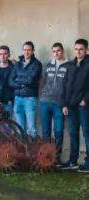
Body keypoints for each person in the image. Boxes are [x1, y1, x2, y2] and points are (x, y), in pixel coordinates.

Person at [59, 39, 89, 173]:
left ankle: (88, 162)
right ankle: (73, 160)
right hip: (70, 105)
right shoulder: (70, 65)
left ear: (86, 50)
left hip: (83, 105)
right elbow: (66, 86)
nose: (78, 51)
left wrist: (85, 100)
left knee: (87, 132)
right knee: (72, 132)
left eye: (81, 49)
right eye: (76, 49)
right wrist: (64, 104)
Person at [40, 43, 73, 160]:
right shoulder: (48, 65)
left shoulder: (69, 66)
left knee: (58, 131)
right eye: (54, 51)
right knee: (45, 131)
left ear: (62, 51)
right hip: (45, 102)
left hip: (59, 104)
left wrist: (65, 103)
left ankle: (57, 157)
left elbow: (69, 87)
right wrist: (42, 96)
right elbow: (43, 82)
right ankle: (46, 157)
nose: (56, 53)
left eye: (58, 51)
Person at [9, 41, 42, 138]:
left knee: (31, 128)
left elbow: (30, 80)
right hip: (17, 98)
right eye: (24, 50)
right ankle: (23, 150)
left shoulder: (37, 64)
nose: (26, 52)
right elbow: (10, 80)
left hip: (30, 99)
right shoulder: (17, 64)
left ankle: (33, 151)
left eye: (28, 50)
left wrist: (18, 79)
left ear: (33, 51)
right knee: (20, 129)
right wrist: (20, 85)